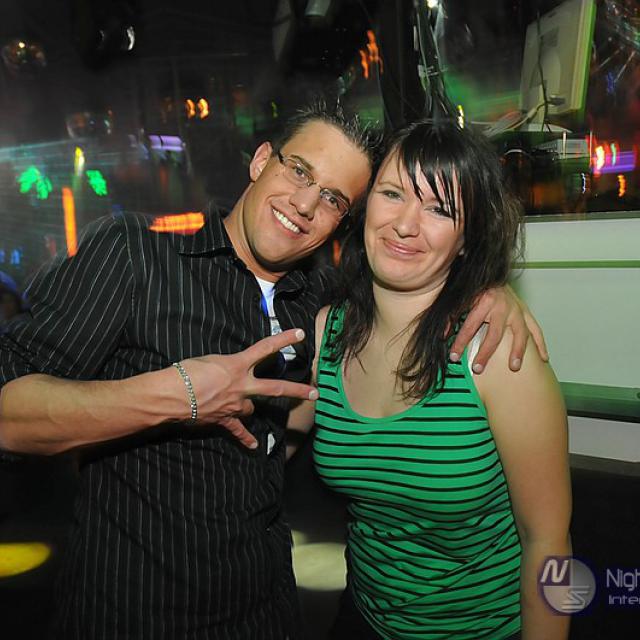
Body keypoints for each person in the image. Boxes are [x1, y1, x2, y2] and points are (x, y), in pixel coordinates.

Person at [0, 103, 545, 639]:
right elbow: (8, 415)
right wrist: (176, 395)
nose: (305, 204)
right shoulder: (135, 256)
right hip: (134, 613)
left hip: (267, 611)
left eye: (332, 198)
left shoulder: (321, 305)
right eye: (299, 171)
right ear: (262, 160)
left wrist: (491, 291)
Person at [288, 119, 571, 639]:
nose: (405, 225)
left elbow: (548, 542)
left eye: (440, 209)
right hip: (364, 618)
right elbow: (264, 447)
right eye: (393, 194)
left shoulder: (495, 352)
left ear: (467, 240)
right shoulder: (327, 334)